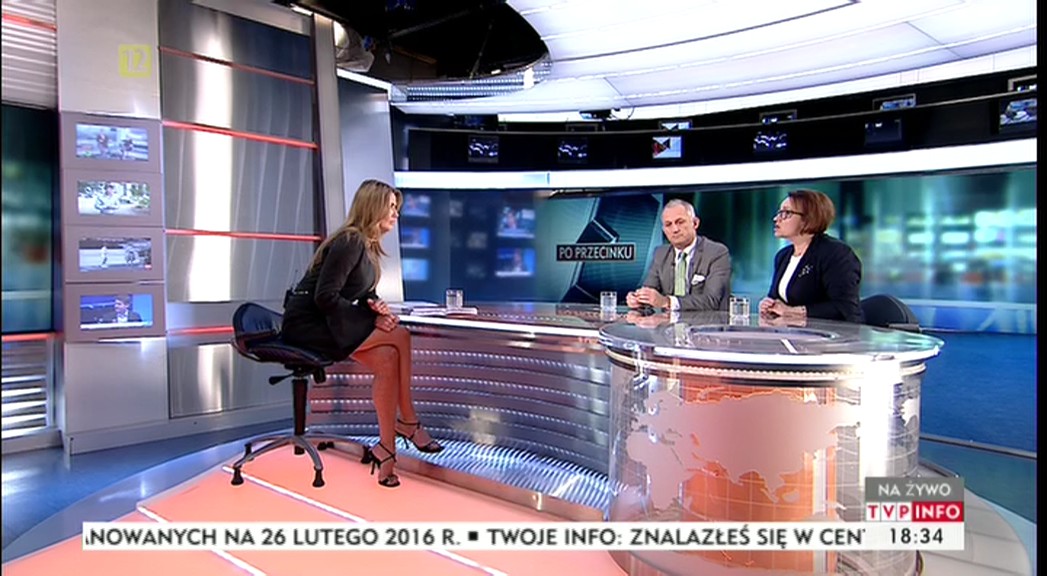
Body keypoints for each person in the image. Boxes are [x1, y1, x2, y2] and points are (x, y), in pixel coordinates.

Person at [281, 179, 442, 489]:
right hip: (307, 326)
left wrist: (374, 305)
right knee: (400, 337)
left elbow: (359, 291)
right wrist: (371, 320)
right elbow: (325, 297)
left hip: (328, 322)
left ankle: (387, 452)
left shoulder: (366, 246)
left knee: (387, 358)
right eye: (391, 207)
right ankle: (408, 421)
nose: (396, 213)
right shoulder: (350, 241)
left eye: (396, 208)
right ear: (373, 207)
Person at [759, 189, 862, 323]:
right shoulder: (783, 256)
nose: (776, 219)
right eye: (779, 213)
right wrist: (768, 305)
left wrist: (793, 312)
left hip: (834, 333)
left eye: (786, 213)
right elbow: (776, 298)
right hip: (793, 331)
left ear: (808, 219)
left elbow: (845, 308)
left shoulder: (836, 253)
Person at [626, 199, 731, 312]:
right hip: (667, 322)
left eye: (680, 222)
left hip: (707, 322)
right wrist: (639, 299)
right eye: (668, 224)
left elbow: (712, 300)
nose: (675, 229)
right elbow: (650, 290)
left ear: (695, 223)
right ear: (664, 230)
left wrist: (667, 302)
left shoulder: (716, 253)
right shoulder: (660, 254)